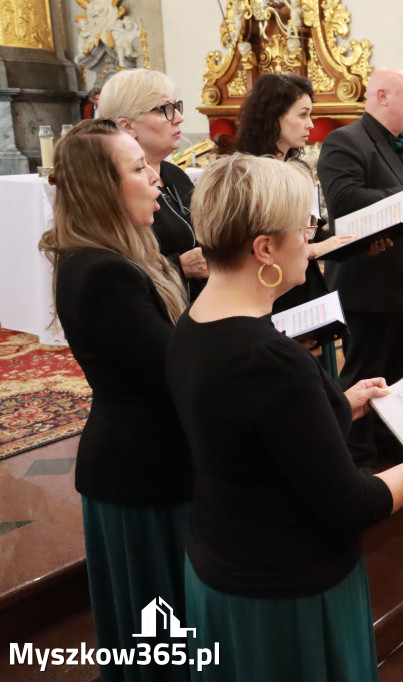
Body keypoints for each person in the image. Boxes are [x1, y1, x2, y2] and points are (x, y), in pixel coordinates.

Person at [166, 154, 403, 681]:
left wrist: (338, 403)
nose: (313, 240)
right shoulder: (269, 360)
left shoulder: (193, 323)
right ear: (264, 249)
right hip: (285, 589)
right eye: (305, 229)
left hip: (224, 557)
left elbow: (250, 433)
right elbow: (354, 503)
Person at [38, 119, 191, 682]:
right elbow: (174, 370)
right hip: (143, 473)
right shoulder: (103, 271)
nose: (155, 179)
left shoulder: (118, 257)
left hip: (151, 462)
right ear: (103, 187)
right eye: (137, 168)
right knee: (162, 638)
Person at [317, 67, 403, 464]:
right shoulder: (345, 141)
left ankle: (389, 444)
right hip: (369, 280)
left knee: (399, 371)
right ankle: (356, 455)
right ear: (380, 97)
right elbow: (344, 202)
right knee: (365, 373)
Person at [235, 73, 353, 376]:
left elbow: (312, 231)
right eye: (303, 115)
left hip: (306, 285)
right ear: (275, 116)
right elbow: (255, 245)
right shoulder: (248, 173)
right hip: (273, 290)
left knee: (322, 377)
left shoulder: (297, 167)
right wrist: (315, 250)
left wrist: (351, 242)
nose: (311, 124)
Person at [100, 69, 207, 301]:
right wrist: (178, 267)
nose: (178, 117)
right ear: (127, 126)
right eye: (165, 110)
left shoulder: (175, 174)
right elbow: (115, 269)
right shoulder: (116, 187)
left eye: (176, 107)